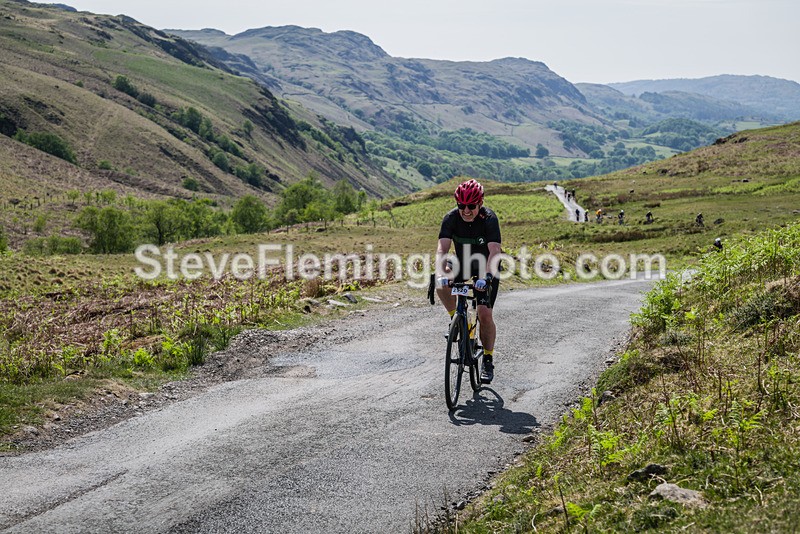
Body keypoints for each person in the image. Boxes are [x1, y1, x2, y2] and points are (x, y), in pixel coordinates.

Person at [436, 179, 501, 384]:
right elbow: (442, 249)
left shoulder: (489, 219)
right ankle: (457, 320)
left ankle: (488, 358)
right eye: (461, 206)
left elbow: (494, 251)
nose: (466, 210)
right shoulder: (450, 218)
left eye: (471, 206)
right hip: (462, 264)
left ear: (479, 203)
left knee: (484, 313)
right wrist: (442, 270)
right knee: (440, 283)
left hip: (486, 267)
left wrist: (487, 277)